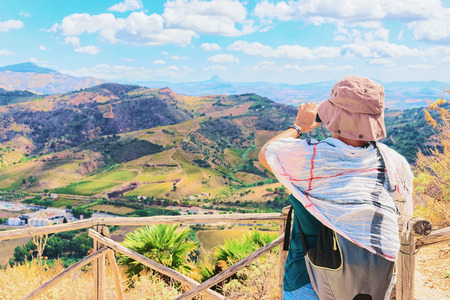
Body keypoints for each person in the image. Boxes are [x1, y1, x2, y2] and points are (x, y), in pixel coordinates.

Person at [258, 75, 413, 299]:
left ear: (333, 115)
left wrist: (299, 126)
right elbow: (402, 214)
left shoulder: (311, 159)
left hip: (308, 279)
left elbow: (267, 153)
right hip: (372, 281)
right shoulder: (394, 163)